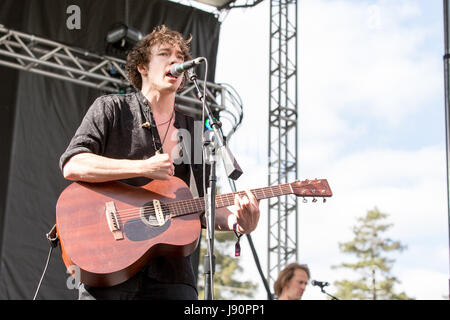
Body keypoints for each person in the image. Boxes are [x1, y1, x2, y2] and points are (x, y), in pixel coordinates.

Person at [59, 25, 260, 300]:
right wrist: (142, 168)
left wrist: (238, 221)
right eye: (165, 54)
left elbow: (200, 206)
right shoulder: (111, 109)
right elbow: (74, 164)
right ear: (142, 66)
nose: (175, 61)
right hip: (109, 261)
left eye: (180, 56)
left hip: (172, 275)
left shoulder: (195, 131)